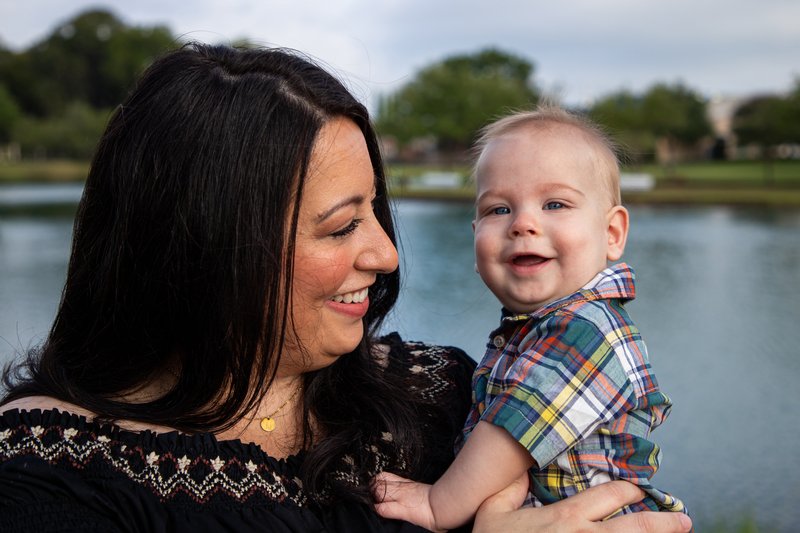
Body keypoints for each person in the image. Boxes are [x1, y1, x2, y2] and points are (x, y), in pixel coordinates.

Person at [0, 44, 691, 533]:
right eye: (341, 226)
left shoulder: (439, 392)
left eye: (375, 211)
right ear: (206, 250)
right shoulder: (52, 480)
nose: (387, 254)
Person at [373, 107, 687, 531]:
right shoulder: (537, 329)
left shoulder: (588, 330)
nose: (523, 223)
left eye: (555, 203)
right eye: (498, 209)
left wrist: (437, 504)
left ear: (611, 234)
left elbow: (509, 435)